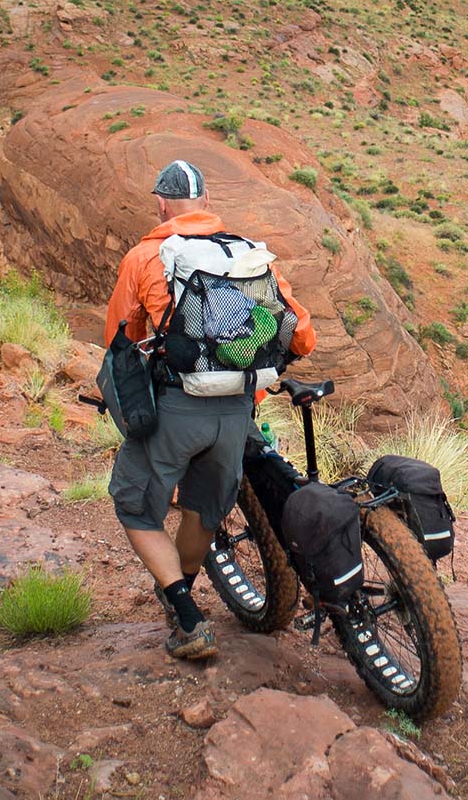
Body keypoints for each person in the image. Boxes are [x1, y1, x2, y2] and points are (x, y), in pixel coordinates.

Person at [104, 160, 316, 659]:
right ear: (205, 202)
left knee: (134, 506)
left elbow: (121, 336)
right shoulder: (246, 254)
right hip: (237, 409)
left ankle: (186, 615)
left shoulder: (148, 256)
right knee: (204, 509)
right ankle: (181, 600)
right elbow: (300, 334)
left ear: (161, 203)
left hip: (177, 407)